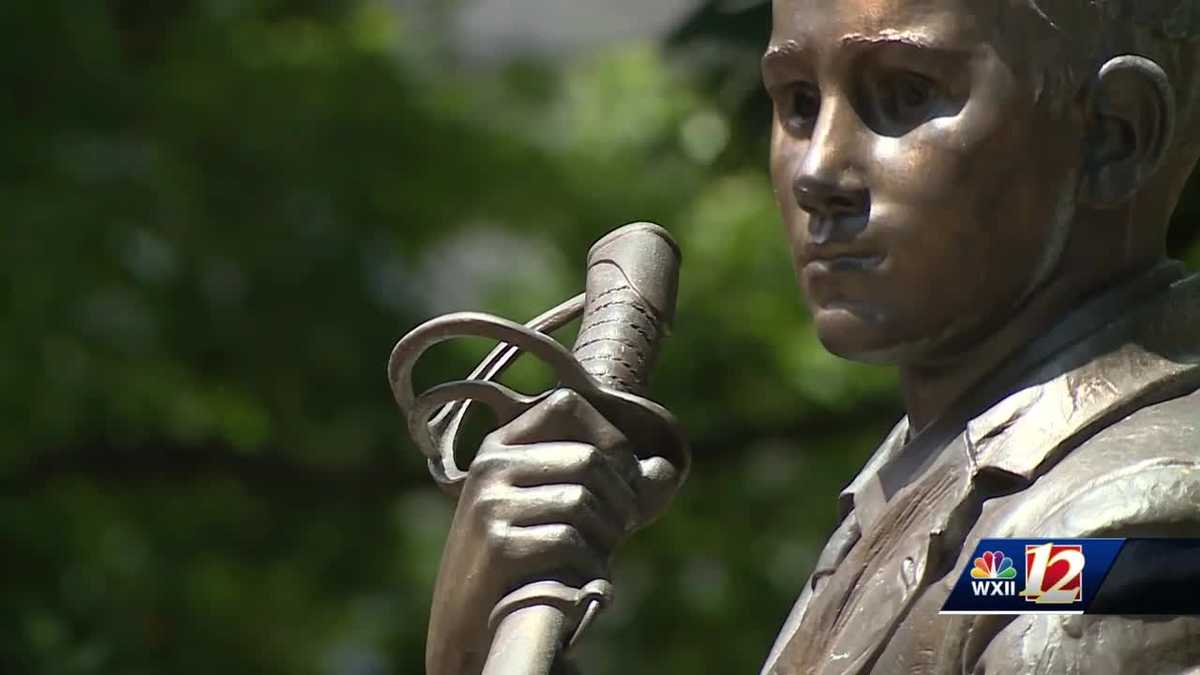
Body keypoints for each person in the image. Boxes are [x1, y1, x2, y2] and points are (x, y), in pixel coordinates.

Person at [424, 0, 1200, 672]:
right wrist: (476, 645)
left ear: (1114, 135)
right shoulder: (929, 467)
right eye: (797, 102)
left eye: (905, 93)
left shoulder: (1113, 530)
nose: (818, 170)